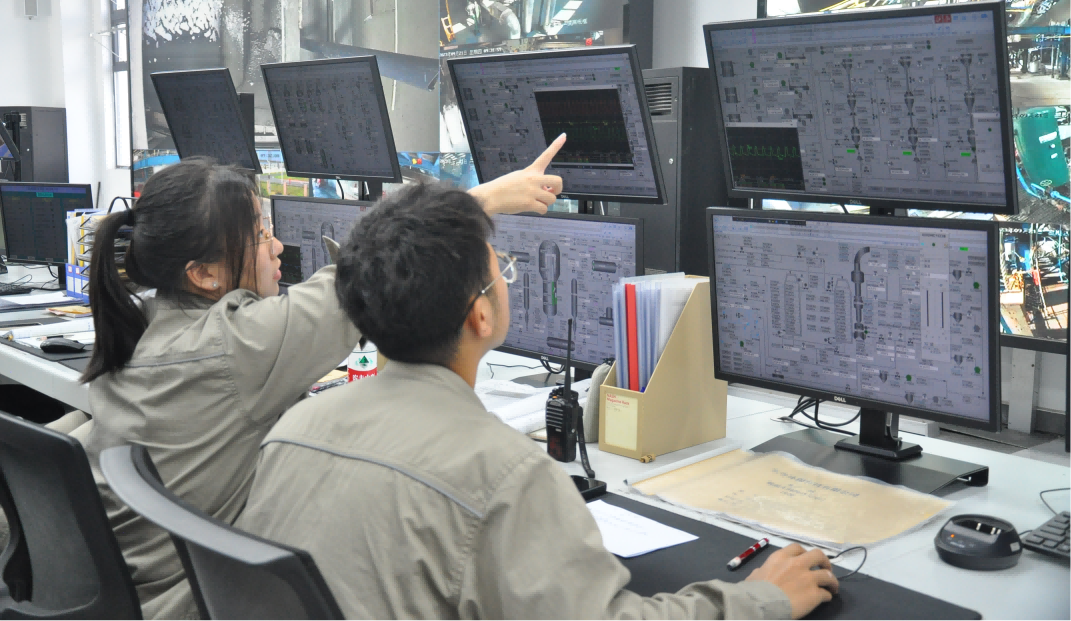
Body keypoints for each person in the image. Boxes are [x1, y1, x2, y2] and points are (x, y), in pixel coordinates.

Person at [236, 183, 839, 621]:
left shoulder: (293, 429)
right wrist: (762, 599)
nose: (506, 278)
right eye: (500, 269)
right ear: (480, 314)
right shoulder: (505, 474)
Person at [72, 136, 566, 621]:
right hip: (185, 606)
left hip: (140, 590)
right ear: (203, 274)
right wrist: (483, 201)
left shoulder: (146, 323)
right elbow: (360, 279)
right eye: (260, 234)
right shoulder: (235, 346)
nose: (277, 246)